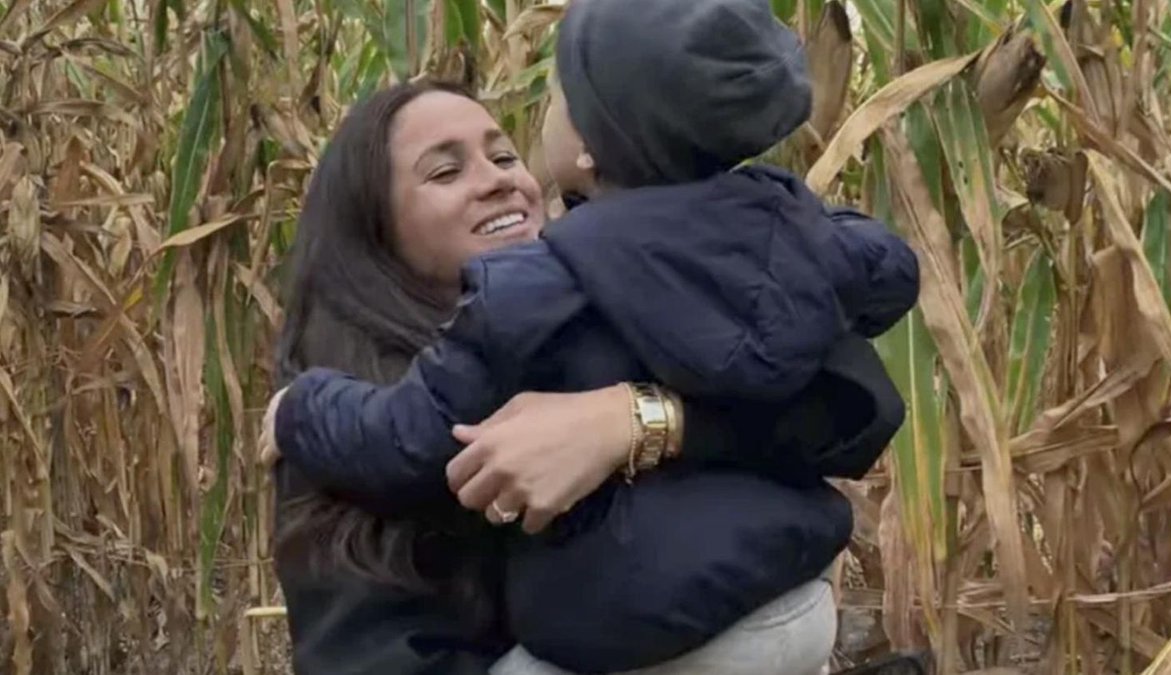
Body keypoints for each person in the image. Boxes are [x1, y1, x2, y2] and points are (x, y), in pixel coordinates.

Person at [265, 1, 918, 673]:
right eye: (445, 171)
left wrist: (632, 420)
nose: (496, 180)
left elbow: (855, 405)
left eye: (503, 154)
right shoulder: (696, 257)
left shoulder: (573, 289)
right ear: (373, 229)